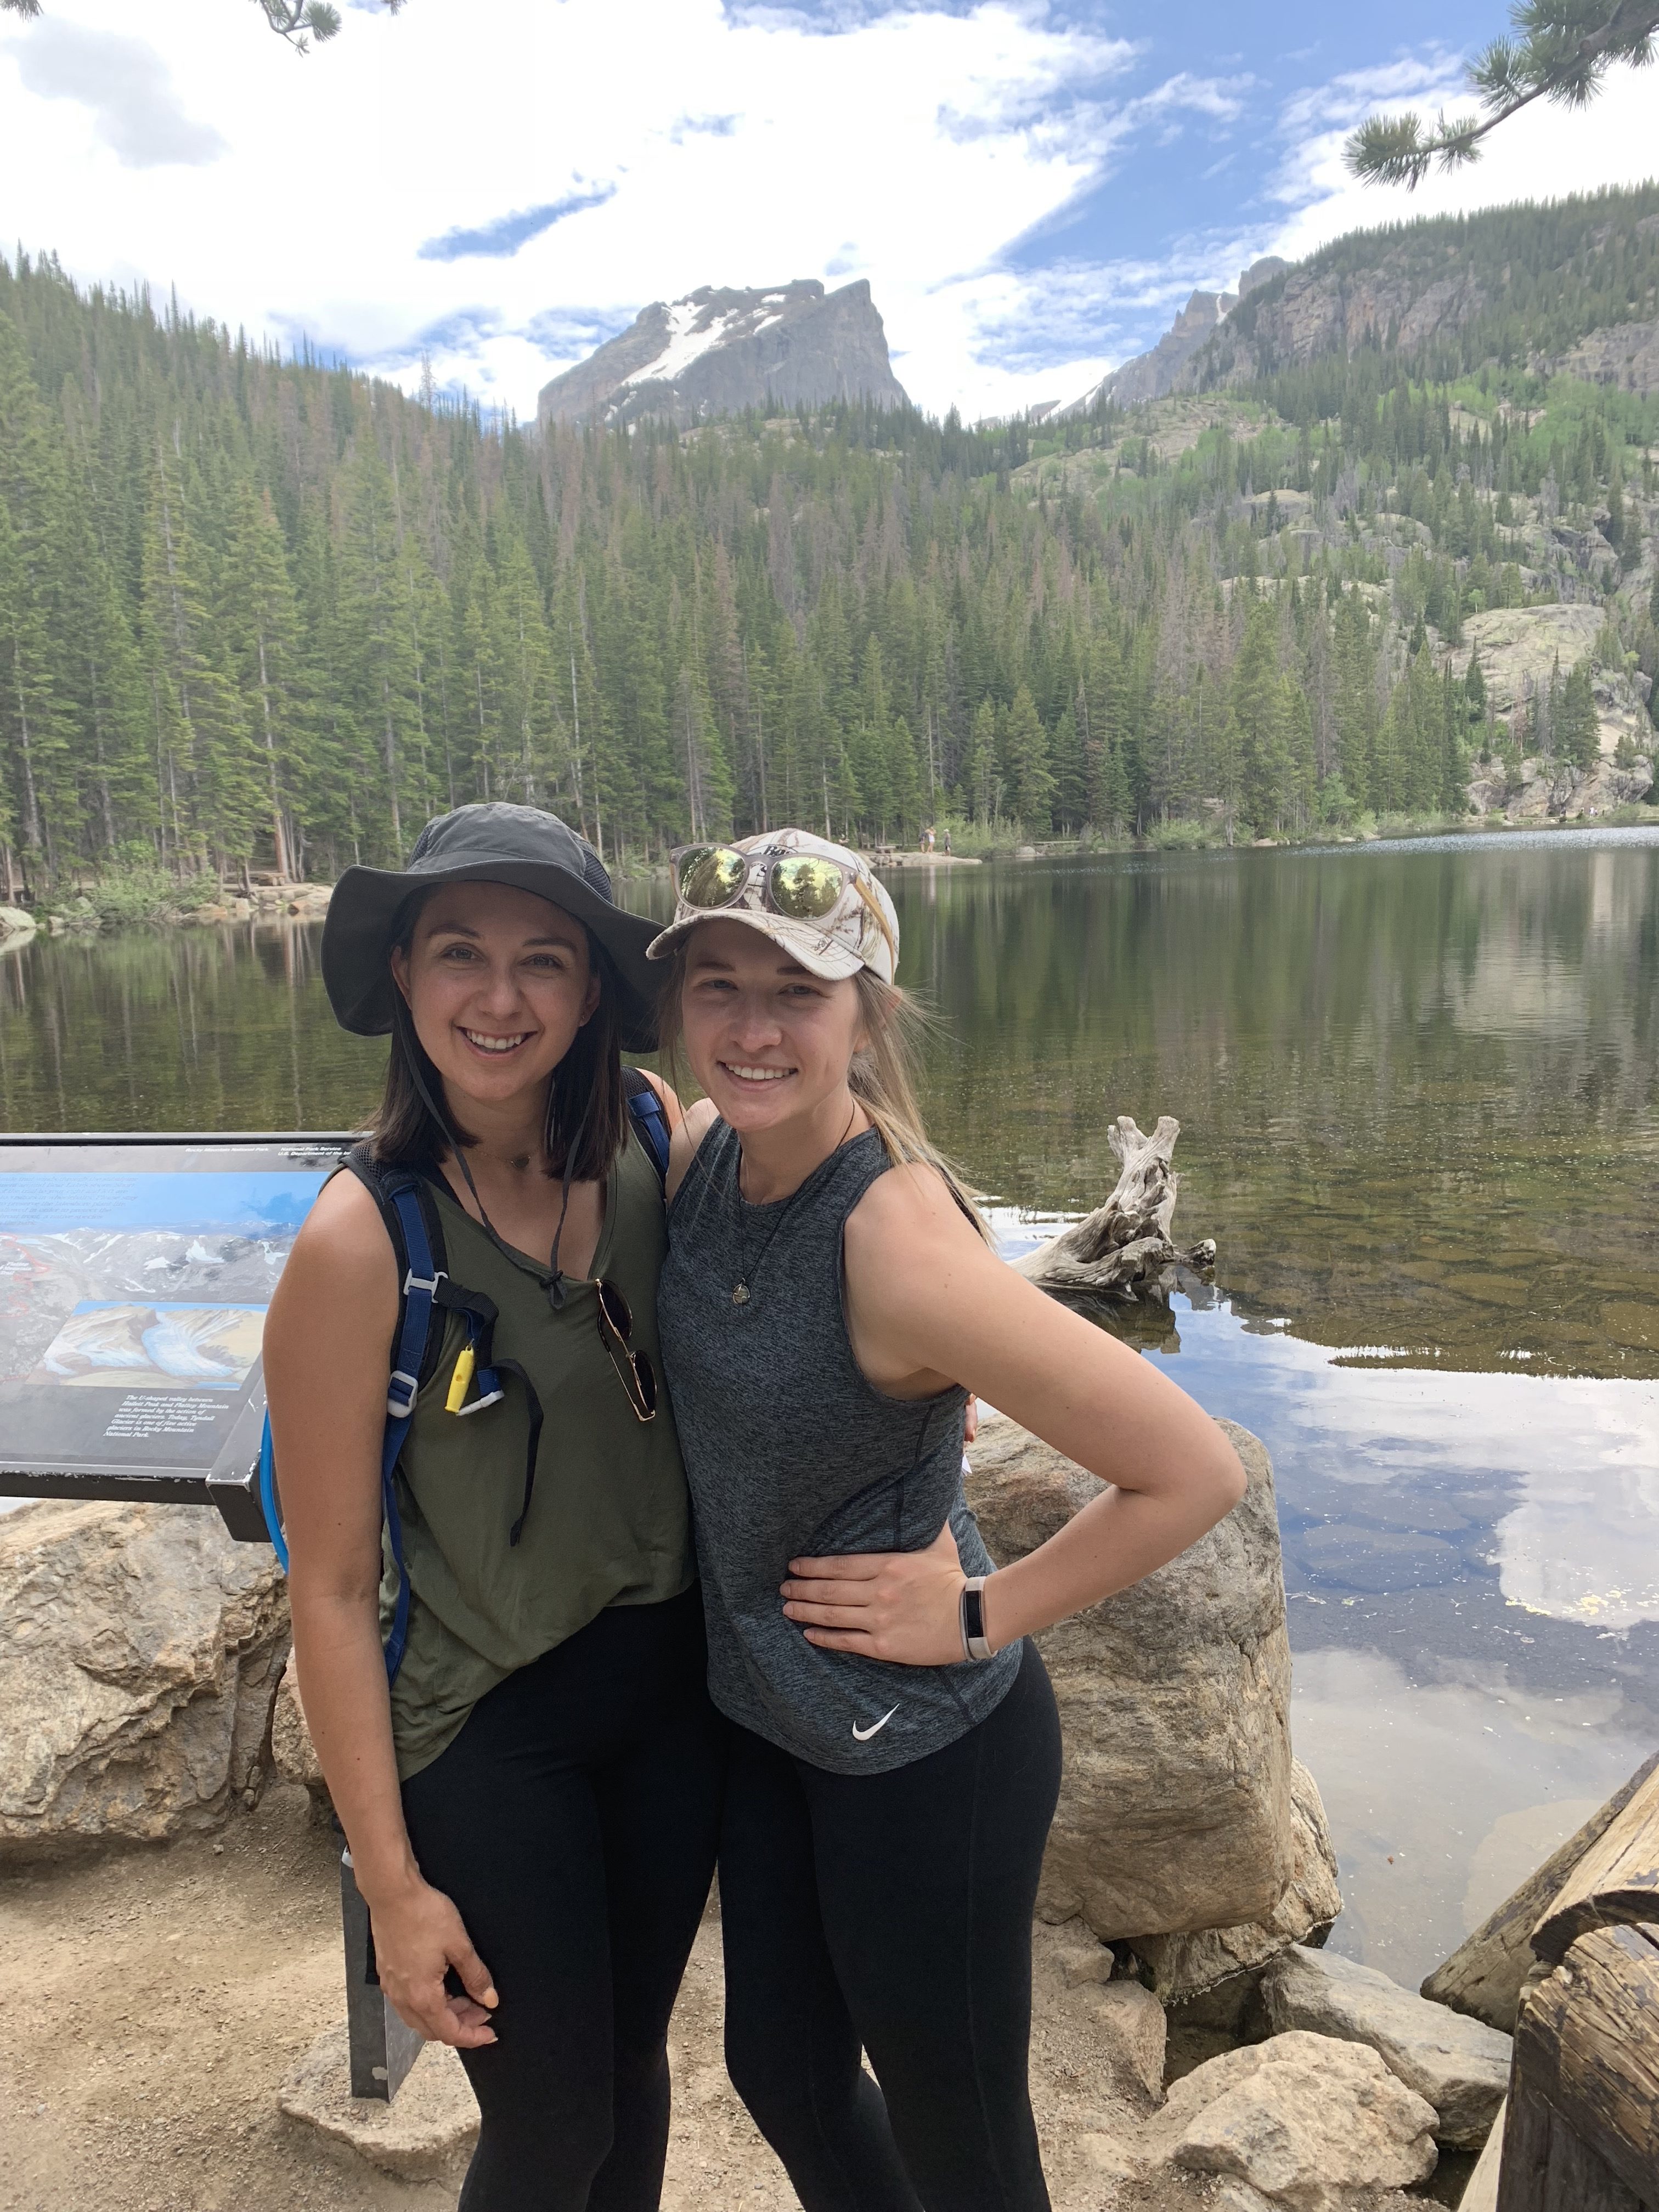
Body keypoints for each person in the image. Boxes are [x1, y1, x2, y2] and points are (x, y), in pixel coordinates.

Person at [649, 829, 1246, 2212]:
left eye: (798, 991)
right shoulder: (694, 1156)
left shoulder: (900, 1241)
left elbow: (1191, 1469)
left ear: (867, 1013)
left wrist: (980, 1611)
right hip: (769, 1722)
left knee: (961, 2137)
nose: (750, 1028)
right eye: (717, 985)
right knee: (785, 2075)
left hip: (925, 1758)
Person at [264, 803, 725, 2212]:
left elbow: (836, 1189)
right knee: (551, 2126)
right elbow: (330, 1590)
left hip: (666, 1700)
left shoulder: (657, 1141)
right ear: (403, 975)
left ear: (595, 992)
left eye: (546, 959)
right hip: (482, 1729)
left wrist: (936, 1327)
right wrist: (393, 1890)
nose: (502, 997)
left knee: (631, 2077)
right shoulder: (365, 1242)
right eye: (461, 952)